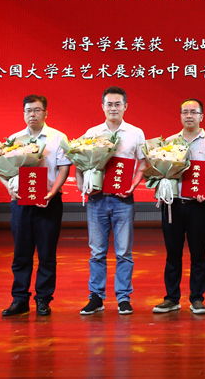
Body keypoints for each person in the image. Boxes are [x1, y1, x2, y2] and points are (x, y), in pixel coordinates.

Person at [152, 99, 205, 315]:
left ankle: (197, 298)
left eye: (194, 112)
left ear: (202, 116)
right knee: (172, 253)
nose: (189, 116)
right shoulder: (169, 142)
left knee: (198, 253)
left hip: (198, 206)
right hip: (172, 205)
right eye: (185, 112)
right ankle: (171, 298)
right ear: (180, 116)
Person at [79, 86, 147, 316]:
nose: (113, 108)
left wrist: (133, 185)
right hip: (97, 200)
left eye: (118, 104)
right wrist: (82, 185)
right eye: (109, 104)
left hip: (122, 200)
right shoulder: (92, 133)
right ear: (102, 107)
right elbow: (79, 161)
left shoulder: (135, 133)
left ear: (125, 106)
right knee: (97, 252)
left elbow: (143, 163)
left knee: (124, 252)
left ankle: (123, 298)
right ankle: (96, 297)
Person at [1, 95, 71, 317]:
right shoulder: (14, 139)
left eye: (37, 110)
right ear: (23, 113)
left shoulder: (58, 138)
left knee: (47, 254)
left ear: (45, 113)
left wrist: (52, 193)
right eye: (28, 110)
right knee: (21, 253)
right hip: (21, 202)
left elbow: (64, 168)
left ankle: (43, 299)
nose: (32, 114)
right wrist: (9, 188)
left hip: (48, 202)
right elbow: (2, 169)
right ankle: (19, 299)